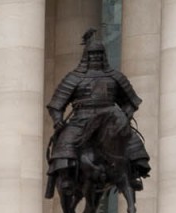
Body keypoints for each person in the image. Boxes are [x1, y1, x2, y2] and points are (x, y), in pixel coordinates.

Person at [45, 29, 150, 198]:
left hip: (110, 117)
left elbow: (131, 102)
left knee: (133, 142)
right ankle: (65, 177)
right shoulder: (74, 78)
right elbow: (56, 105)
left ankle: (136, 173)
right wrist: (58, 120)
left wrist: (125, 117)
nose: (95, 58)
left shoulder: (115, 77)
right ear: (86, 55)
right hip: (80, 119)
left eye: (99, 54)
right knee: (64, 145)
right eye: (92, 54)